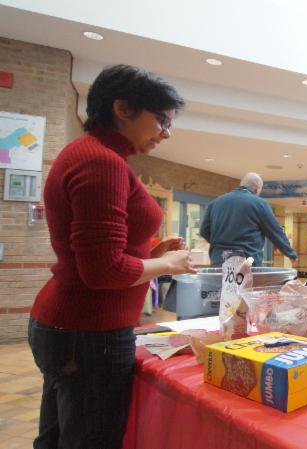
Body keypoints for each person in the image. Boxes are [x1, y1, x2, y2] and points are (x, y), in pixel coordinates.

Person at [29, 65, 196, 449]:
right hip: (89, 331)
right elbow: (103, 271)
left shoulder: (87, 153)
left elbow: (96, 255)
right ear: (123, 108)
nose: (165, 134)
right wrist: (169, 264)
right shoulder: (102, 160)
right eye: (160, 120)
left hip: (69, 325)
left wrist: (151, 254)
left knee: (56, 436)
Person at [200, 173, 297, 266]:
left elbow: (204, 231)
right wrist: (291, 254)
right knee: (247, 283)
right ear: (257, 189)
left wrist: (220, 244)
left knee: (219, 283)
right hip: (247, 260)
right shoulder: (259, 204)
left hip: (219, 260)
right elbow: (275, 231)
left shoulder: (216, 202)